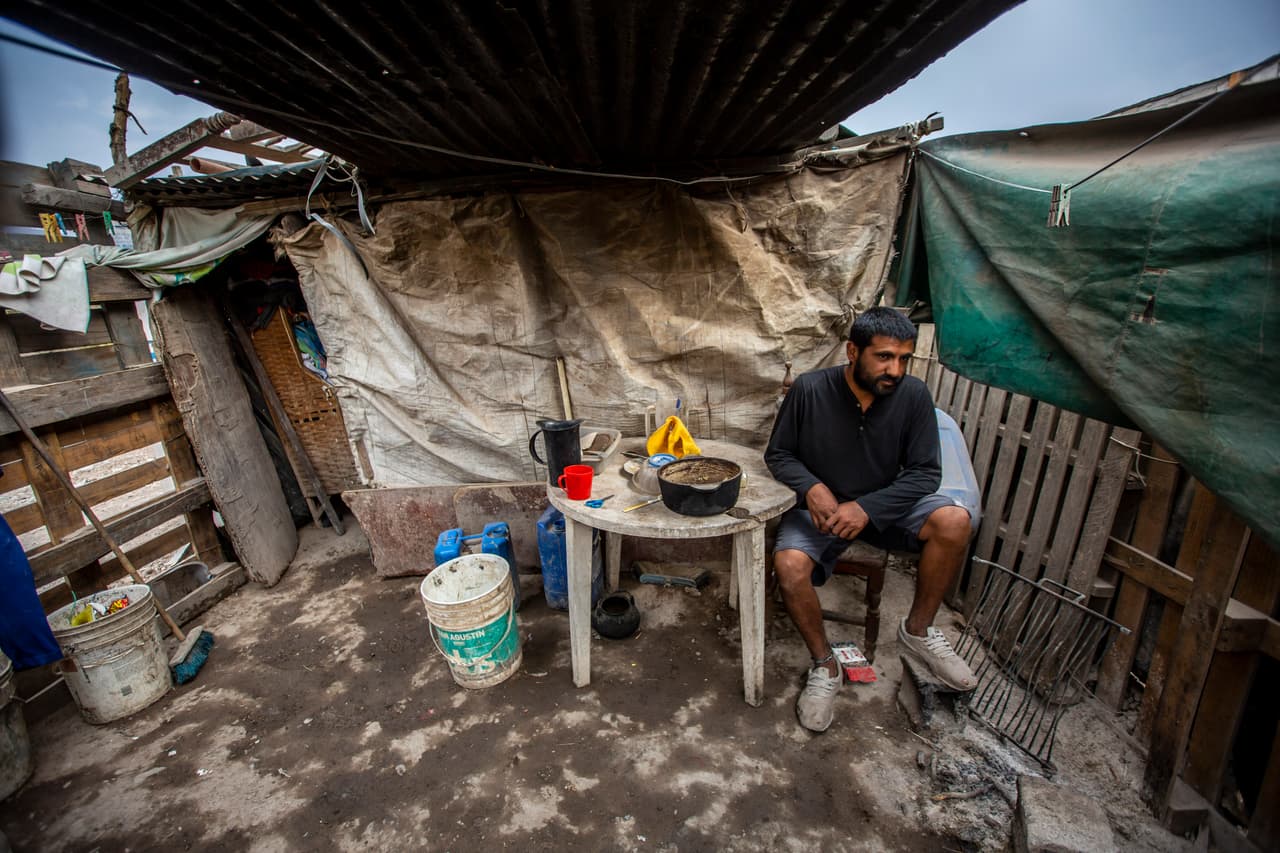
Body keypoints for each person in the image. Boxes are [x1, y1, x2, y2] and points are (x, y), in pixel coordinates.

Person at [765, 307, 976, 732]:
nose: (894, 370)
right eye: (883, 357)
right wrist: (814, 488)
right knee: (788, 565)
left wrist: (867, 508)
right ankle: (825, 667)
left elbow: (924, 473)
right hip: (820, 513)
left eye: (903, 359)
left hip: (883, 507)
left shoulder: (914, 396)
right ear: (852, 351)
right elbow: (779, 454)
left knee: (955, 520)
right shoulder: (808, 390)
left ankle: (918, 631)